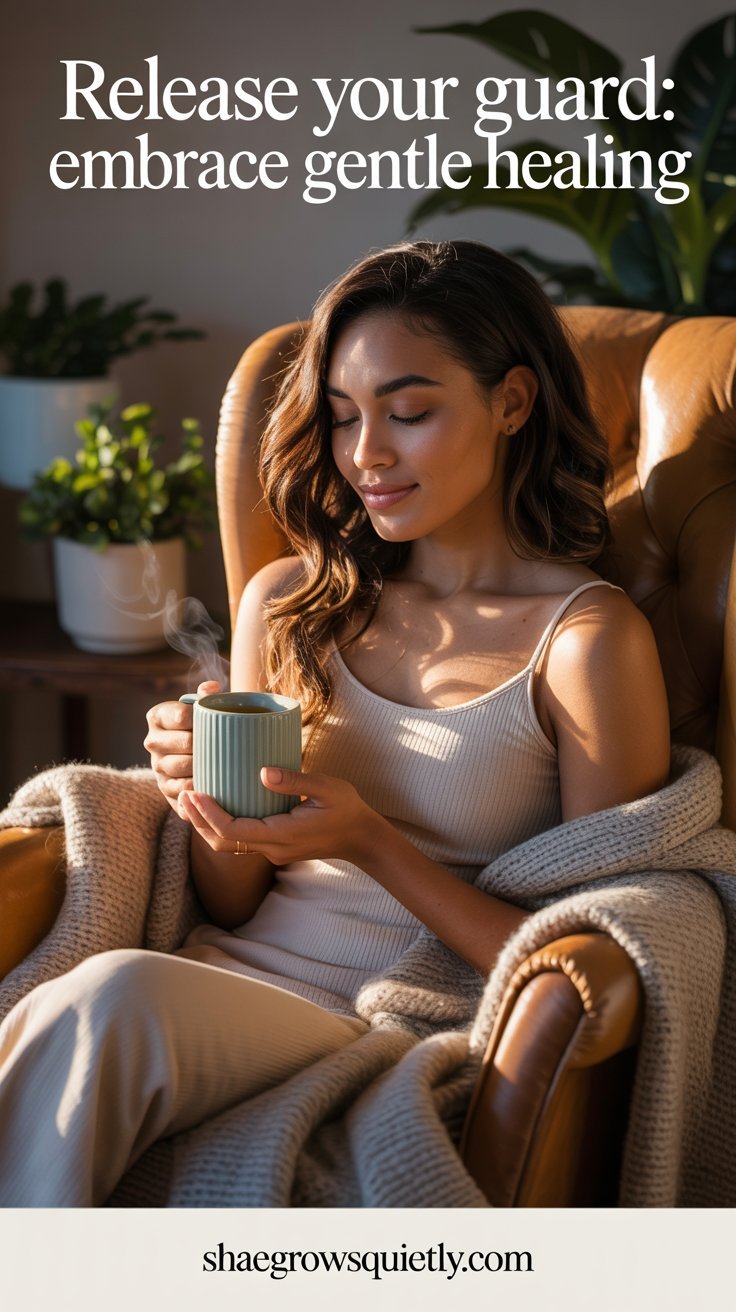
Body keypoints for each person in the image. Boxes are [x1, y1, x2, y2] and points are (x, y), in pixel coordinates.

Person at [0, 239, 670, 1206]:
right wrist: (202, 797)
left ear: (512, 403)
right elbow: (232, 898)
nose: (367, 456)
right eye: (346, 417)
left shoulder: (585, 641)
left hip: (391, 1015)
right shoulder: (291, 605)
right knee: (98, 1002)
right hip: (218, 983)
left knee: (109, 1000)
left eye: (409, 412)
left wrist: (369, 840)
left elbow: (597, 946)